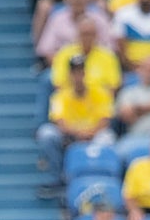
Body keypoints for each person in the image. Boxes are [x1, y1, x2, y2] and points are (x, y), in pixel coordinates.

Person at [36, 54, 115, 197]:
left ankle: (102, 180)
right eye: (75, 72)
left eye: (81, 72)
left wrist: (89, 133)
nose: (78, 76)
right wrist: (78, 133)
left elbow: (105, 120)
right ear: (70, 74)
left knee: (107, 138)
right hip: (69, 136)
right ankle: (58, 179)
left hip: (94, 134)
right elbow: (58, 121)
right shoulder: (61, 95)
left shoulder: (100, 92)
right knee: (47, 133)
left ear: (85, 73)